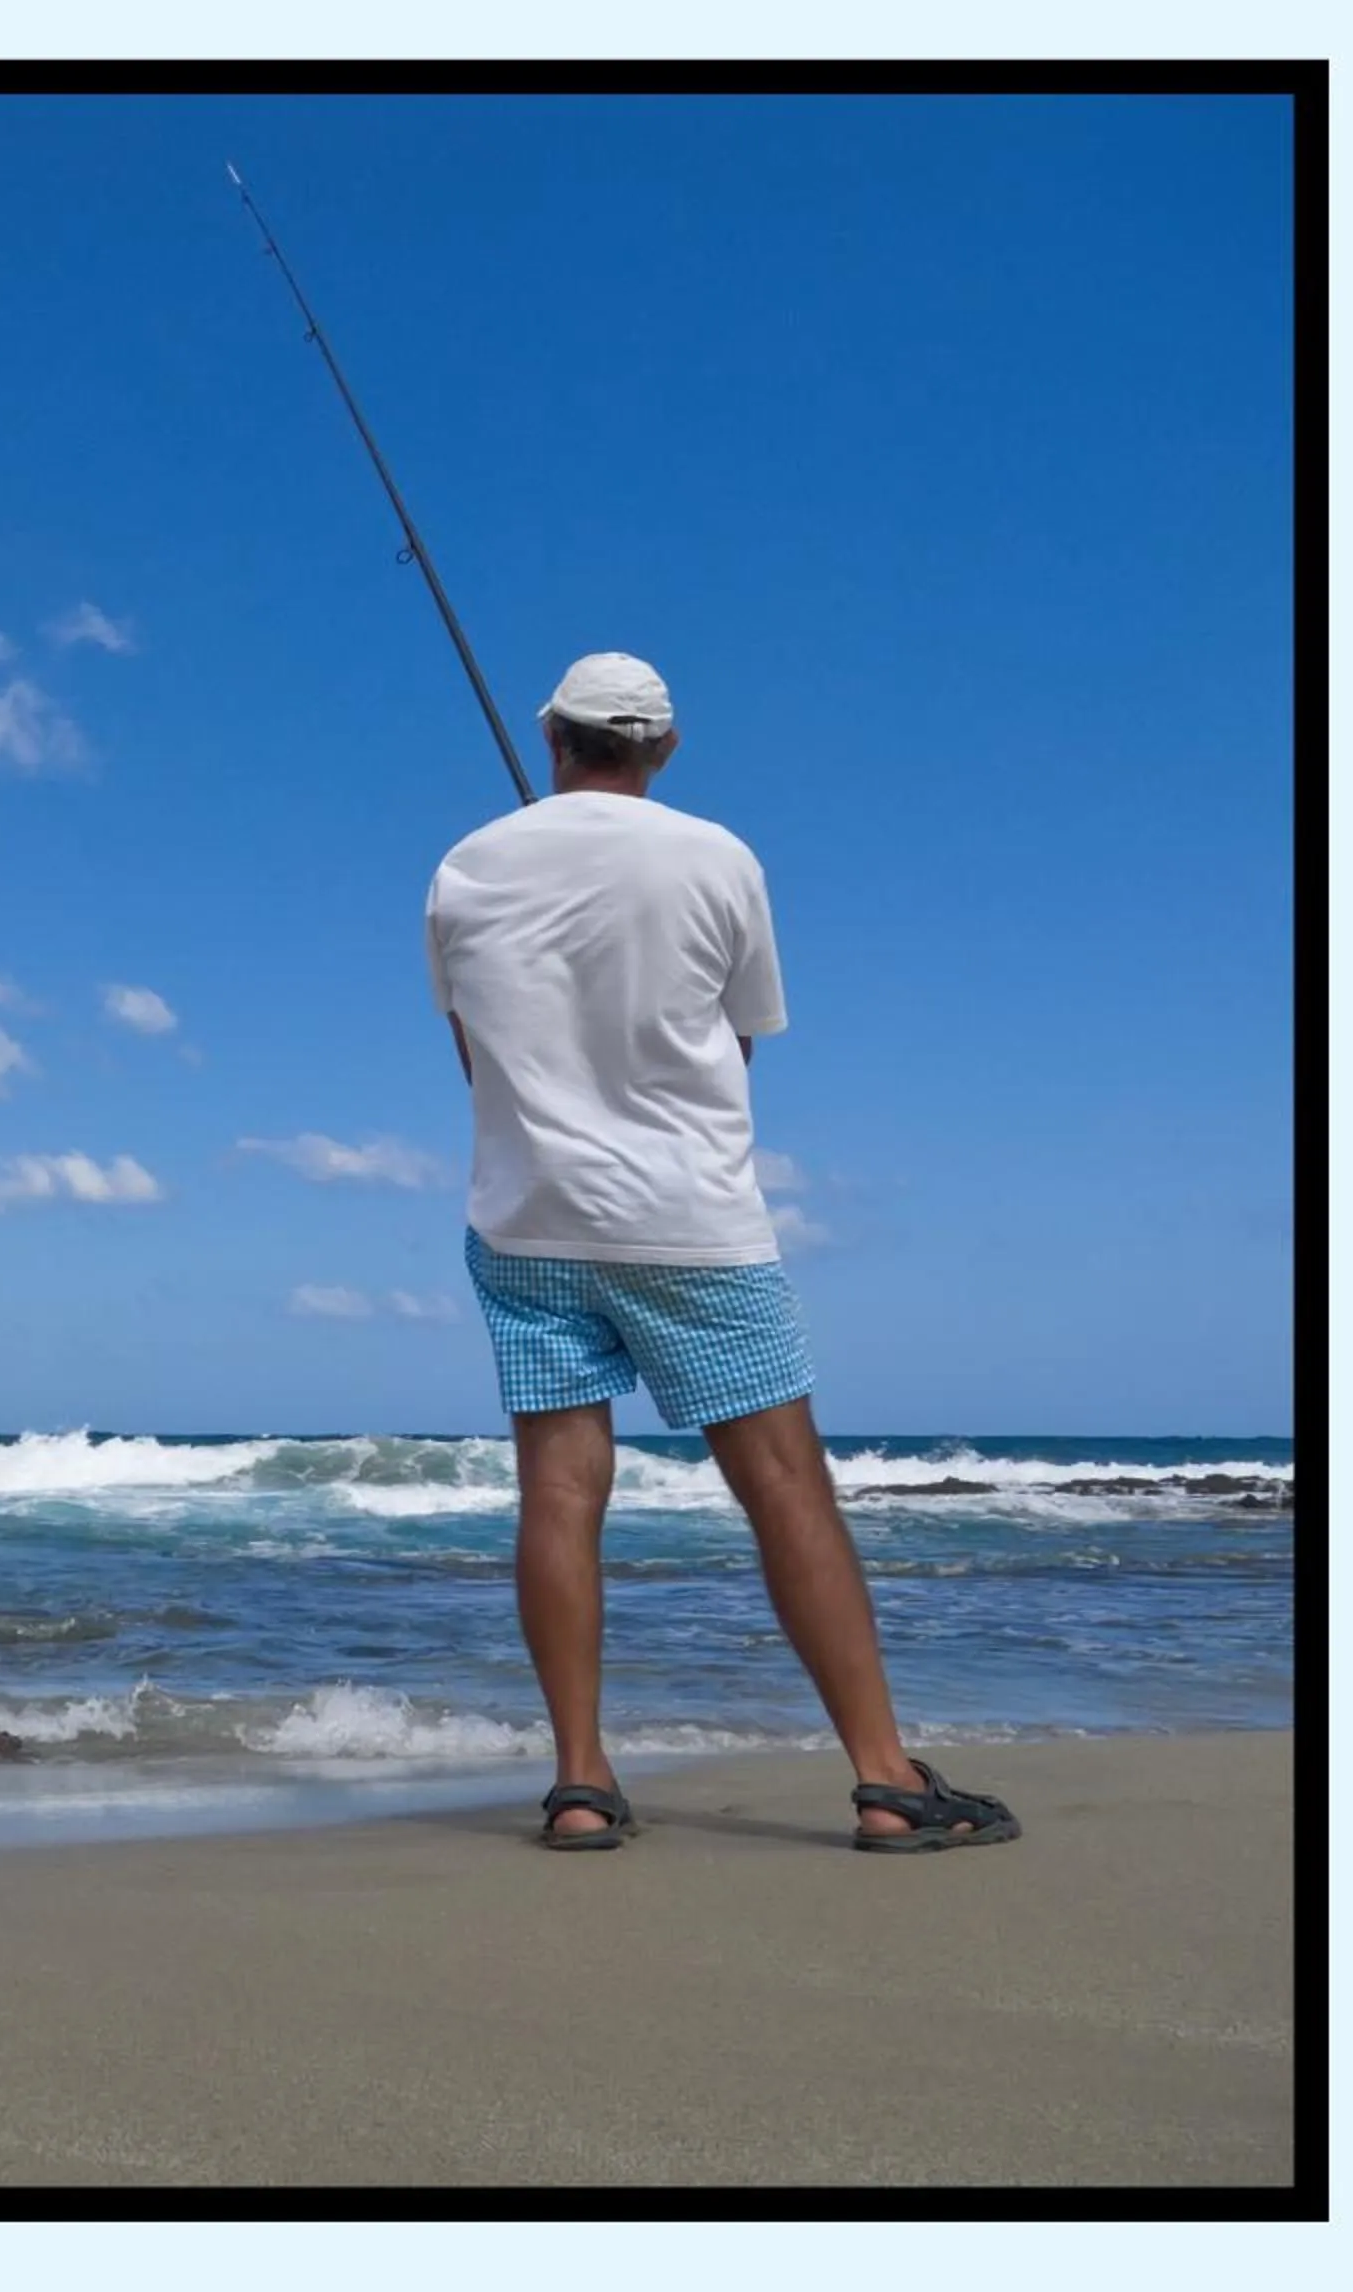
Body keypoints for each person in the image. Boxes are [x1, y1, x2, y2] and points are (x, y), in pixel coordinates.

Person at [424, 652, 1018, 1855]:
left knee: (558, 1490)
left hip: (527, 1223)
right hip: (691, 1227)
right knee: (785, 1487)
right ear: (663, 749)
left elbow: (476, 1060)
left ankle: (583, 1784)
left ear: (554, 738)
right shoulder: (720, 858)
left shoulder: (464, 868)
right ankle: (885, 1778)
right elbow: (737, 1050)